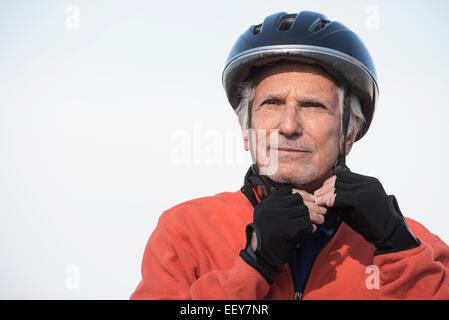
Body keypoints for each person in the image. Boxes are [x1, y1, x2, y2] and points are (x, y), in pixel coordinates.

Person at [130, 10, 449, 300]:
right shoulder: (186, 231)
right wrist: (254, 263)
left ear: (349, 133)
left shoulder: (419, 247)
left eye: (313, 105)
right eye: (272, 103)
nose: (289, 126)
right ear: (246, 129)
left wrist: (400, 250)